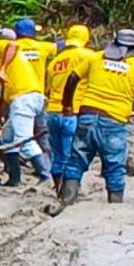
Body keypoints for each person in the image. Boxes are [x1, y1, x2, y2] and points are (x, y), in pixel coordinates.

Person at [59, 29, 134, 205]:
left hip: (87, 116)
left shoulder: (96, 58)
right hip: (114, 122)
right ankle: (115, 204)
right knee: (114, 165)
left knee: (76, 160)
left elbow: (72, 78)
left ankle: (66, 200)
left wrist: (67, 105)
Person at [0, 32, 51, 186]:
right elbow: (5, 99)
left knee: (23, 140)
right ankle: (14, 178)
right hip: (22, 99)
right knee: (7, 138)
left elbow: (13, 44)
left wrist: (3, 69)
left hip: (24, 97)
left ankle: (45, 176)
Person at [44, 24, 96, 192]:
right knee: (70, 156)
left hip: (52, 112)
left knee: (57, 155)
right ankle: (68, 192)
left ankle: (58, 189)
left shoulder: (54, 62)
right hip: (72, 112)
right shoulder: (89, 56)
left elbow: (48, 90)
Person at [14, 18, 58, 168]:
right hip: (39, 95)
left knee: (19, 132)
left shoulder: (12, 47)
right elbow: (63, 46)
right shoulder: (43, 47)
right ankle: (48, 165)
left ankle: (20, 162)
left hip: (19, 95)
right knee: (42, 133)